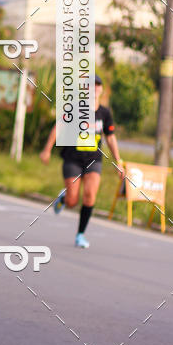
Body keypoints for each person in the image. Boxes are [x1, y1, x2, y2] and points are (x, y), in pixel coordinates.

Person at [40, 74, 125, 248]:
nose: (94, 89)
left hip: (94, 159)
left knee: (90, 194)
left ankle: (80, 234)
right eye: (90, 86)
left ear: (101, 90)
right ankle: (64, 198)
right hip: (73, 158)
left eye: (97, 86)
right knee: (73, 202)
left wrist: (118, 161)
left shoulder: (105, 113)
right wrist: (47, 149)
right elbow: (59, 126)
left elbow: (110, 138)